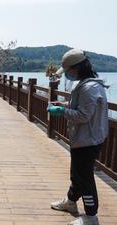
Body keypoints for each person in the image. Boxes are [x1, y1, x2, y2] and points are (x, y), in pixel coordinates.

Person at [47, 49, 109, 225]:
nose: (66, 74)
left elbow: (83, 115)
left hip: (88, 141)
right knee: (78, 174)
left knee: (85, 178)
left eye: (67, 71)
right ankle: (71, 202)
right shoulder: (85, 84)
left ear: (77, 68)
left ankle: (91, 217)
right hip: (83, 139)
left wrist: (62, 111)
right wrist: (64, 104)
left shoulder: (90, 87)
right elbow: (79, 106)